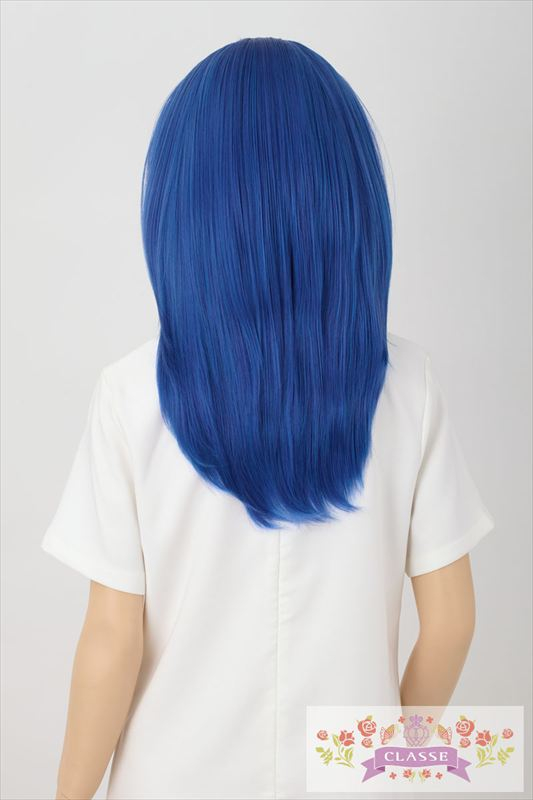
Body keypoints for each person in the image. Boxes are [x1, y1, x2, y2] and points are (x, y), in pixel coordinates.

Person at [41, 37, 495, 800]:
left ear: (186, 213)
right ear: (348, 200)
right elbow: (451, 623)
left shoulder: (131, 397)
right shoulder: (407, 388)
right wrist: (388, 761)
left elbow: (112, 642)